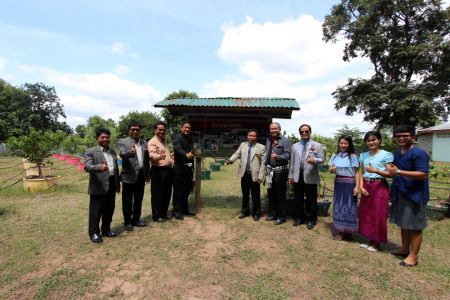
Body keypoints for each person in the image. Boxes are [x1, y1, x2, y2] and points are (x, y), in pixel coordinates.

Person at [388, 125, 429, 267]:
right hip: (401, 192)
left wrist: (398, 171)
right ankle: (405, 248)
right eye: (398, 136)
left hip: (415, 195)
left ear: (413, 137)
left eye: (405, 135)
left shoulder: (419, 153)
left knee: (414, 226)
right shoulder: (398, 153)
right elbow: (393, 171)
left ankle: (413, 256)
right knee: (404, 223)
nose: (401, 138)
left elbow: (423, 174)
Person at [358, 131, 393, 252]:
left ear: (379, 140)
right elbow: (361, 173)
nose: (371, 142)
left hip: (379, 185)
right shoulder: (363, 155)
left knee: (379, 213)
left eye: (374, 140)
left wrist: (375, 170)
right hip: (366, 185)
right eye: (369, 140)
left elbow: (390, 174)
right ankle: (370, 239)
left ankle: (377, 242)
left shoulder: (386, 155)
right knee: (366, 213)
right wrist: (361, 187)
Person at [84, 128, 120, 244]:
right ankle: (94, 233)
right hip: (98, 186)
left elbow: (115, 169)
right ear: (97, 139)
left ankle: (106, 230)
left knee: (109, 210)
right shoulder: (91, 151)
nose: (105, 139)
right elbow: (87, 167)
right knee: (96, 211)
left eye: (107, 137)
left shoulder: (113, 152)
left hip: (111, 184)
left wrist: (118, 183)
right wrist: (100, 167)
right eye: (102, 137)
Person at [288, 124, 324, 229]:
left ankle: (311, 220)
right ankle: (298, 218)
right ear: (299, 133)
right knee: (297, 198)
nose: (304, 133)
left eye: (306, 131)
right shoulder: (295, 146)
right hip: (297, 175)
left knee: (311, 199)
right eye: (302, 132)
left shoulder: (317, 145)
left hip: (310, 175)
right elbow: (292, 162)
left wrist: (314, 160)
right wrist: (290, 176)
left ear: (310, 132)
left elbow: (322, 159)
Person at [117, 121, 151, 231]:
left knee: (138, 199)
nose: (135, 131)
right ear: (129, 130)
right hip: (128, 176)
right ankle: (127, 222)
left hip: (141, 175)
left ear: (140, 131)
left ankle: (136, 219)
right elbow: (122, 154)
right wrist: (128, 154)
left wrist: (147, 174)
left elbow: (146, 160)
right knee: (127, 200)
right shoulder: (123, 142)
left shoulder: (144, 142)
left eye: (137, 129)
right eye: (133, 129)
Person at [226, 129, 266, 221]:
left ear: (256, 137)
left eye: (253, 136)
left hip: (255, 175)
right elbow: (237, 154)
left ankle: (256, 213)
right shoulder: (243, 145)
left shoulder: (261, 147)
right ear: (247, 136)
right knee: (245, 194)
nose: (251, 137)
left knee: (255, 195)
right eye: (250, 135)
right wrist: (231, 160)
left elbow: (263, 162)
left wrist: (261, 175)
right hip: (245, 174)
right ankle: (245, 211)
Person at [328, 136, 360, 240]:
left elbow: (357, 172)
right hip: (339, 183)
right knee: (339, 206)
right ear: (339, 144)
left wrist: (357, 186)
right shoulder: (335, 156)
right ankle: (341, 231)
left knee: (350, 206)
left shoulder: (353, 157)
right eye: (341, 143)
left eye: (345, 143)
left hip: (350, 183)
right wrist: (332, 169)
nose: (343, 145)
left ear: (349, 144)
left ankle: (349, 231)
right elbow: (330, 170)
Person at [264, 122, 292, 225]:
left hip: (280, 171)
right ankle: (273, 213)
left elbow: (288, 155)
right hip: (269, 171)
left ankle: (282, 216)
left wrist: (278, 157)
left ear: (279, 129)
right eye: (271, 129)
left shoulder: (285, 141)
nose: (273, 130)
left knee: (280, 194)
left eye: (275, 129)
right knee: (271, 193)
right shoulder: (268, 139)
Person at [148, 121, 174, 222]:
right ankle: (157, 215)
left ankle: (163, 213)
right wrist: (159, 157)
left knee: (167, 192)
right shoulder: (152, 142)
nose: (162, 131)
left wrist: (172, 159)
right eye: (159, 129)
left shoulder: (164, 140)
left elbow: (167, 154)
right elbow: (151, 155)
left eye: (163, 130)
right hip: (158, 170)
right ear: (155, 130)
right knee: (157, 194)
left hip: (168, 169)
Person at [172, 121, 196, 220]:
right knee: (178, 191)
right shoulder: (177, 137)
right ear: (181, 128)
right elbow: (177, 149)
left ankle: (185, 209)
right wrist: (186, 154)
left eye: (189, 128)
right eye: (186, 127)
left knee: (186, 190)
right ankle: (176, 211)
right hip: (179, 169)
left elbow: (192, 152)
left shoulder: (190, 139)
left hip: (188, 169)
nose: (187, 129)